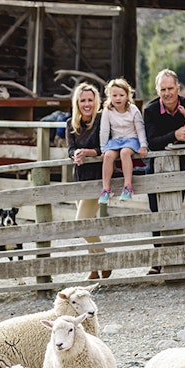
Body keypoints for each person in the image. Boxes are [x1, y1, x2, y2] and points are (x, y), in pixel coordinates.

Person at [142, 69, 185, 275]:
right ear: (157, 90)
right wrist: (176, 134)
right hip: (156, 168)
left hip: (181, 166)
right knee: (156, 213)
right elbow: (152, 142)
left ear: (178, 87)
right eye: (163, 89)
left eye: (170, 88)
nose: (167, 93)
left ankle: (175, 259)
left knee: (176, 210)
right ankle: (159, 260)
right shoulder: (150, 111)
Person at [66, 82, 110, 280]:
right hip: (79, 178)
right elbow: (69, 149)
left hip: (97, 178)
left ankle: (103, 258)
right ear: (77, 102)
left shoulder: (102, 120)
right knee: (88, 224)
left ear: (96, 101)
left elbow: (107, 147)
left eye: (90, 100)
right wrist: (75, 153)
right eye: (83, 100)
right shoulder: (71, 124)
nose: (87, 104)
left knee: (81, 223)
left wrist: (89, 152)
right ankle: (94, 268)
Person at [97, 77, 147, 205]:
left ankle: (128, 187)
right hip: (116, 141)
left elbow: (140, 128)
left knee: (125, 153)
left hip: (131, 140)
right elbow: (104, 131)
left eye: (121, 95)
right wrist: (103, 149)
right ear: (109, 96)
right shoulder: (108, 110)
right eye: (114, 95)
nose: (118, 98)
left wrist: (143, 145)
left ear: (127, 96)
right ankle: (106, 189)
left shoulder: (133, 110)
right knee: (108, 155)